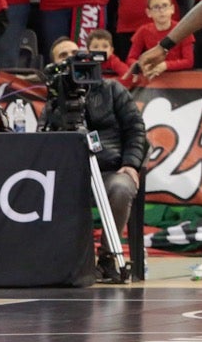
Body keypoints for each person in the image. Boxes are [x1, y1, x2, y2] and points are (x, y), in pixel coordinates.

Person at [42, 37, 146, 269]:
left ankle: (108, 256)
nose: (71, 59)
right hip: (70, 174)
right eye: (63, 56)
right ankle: (63, 260)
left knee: (121, 188)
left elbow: (136, 128)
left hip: (111, 168)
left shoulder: (112, 89)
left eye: (75, 52)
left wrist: (131, 163)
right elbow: (44, 139)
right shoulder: (54, 99)